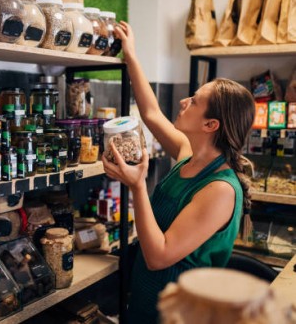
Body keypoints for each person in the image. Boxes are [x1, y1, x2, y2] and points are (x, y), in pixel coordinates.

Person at [102, 21, 256, 323]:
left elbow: (158, 256)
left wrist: (137, 187)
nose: (184, 101)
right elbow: (150, 113)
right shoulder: (188, 155)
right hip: (147, 303)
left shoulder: (219, 190)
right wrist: (132, 55)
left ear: (211, 125)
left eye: (194, 101)